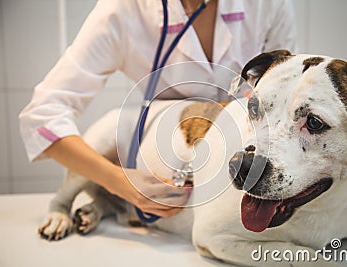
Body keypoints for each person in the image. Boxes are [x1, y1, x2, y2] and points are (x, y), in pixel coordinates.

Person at [19, 0, 297, 219]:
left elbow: (284, 91)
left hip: (241, 160)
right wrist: (121, 182)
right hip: (169, 156)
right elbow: (43, 114)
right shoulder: (123, 9)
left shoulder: (267, 4)